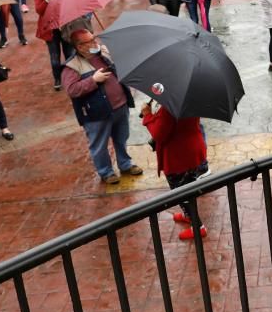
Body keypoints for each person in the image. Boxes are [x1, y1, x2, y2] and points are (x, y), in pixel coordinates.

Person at [62, 29, 143, 184]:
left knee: (121, 138)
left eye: (94, 39)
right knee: (99, 145)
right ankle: (106, 172)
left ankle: (125, 164)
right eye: (90, 41)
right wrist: (93, 80)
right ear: (80, 47)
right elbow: (72, 90)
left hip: (120, 106)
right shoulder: (72, 66)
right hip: (97, 113)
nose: (95, 43)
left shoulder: (104, 53)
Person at [141, 101, 208, 240]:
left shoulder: (170, 105)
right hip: (192, 149)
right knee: (188, 186)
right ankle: (188, 215)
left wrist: (147, 116)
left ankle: (198, 227)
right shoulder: (188, 98)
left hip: (179, 156)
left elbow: (159, 133)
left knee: (182, 193)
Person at [35, 0, 74, 90]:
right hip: (50, 30)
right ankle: (57, 78)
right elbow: (39, 10)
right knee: (54, 56)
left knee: (70, 55)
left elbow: (69, 5)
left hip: (64, 27)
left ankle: (71, 77)